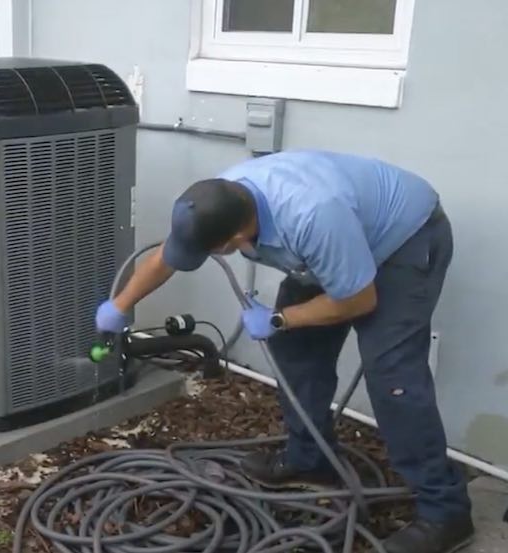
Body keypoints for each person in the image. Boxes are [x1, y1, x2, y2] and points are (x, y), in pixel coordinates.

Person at [94, 150, 473, 553]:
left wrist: (279, 319)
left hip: (403, 240)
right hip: (335, 239)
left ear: (234, 242)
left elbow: (359, 300)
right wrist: (118, 306)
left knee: (393, 379)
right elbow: (164, 259)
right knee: (295, 351)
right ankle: (309, 460)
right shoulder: (215, 201)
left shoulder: (311, 216)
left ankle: (445, 513)